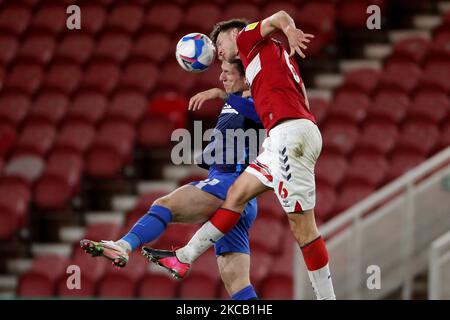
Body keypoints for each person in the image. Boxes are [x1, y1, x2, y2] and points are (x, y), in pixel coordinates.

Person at [143, 11, 336, 300]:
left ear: (235, 35)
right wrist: (226, 95)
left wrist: (290, 30)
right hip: (283, 137)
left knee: (303, 230)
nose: (218, 51)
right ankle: (183, 256)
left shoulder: (247, 39)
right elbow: (300, 101)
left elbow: (279, 17)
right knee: (236, 195)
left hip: (288, 135)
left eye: (220, 43)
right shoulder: (272, 62)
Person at [80, 59, 264, 300]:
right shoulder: (236, 100)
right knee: (238, 286)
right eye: (221, 73)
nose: (222, 78)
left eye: (228, 73)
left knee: (165, 205)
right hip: (238, 195)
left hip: (230, 185)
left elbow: (264, 116)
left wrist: (222, 96)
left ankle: (123, 246)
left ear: (246, 77)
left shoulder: (255, 100)